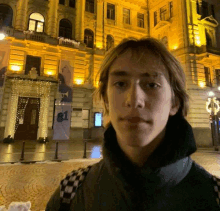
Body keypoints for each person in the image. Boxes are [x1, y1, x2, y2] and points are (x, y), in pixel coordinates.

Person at [46, 37, 220, 211]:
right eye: (120, 84)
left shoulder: (216, 196)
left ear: (174, 102)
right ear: (105, 99)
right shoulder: (69, 193)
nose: (134, 99)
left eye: (151, 84)